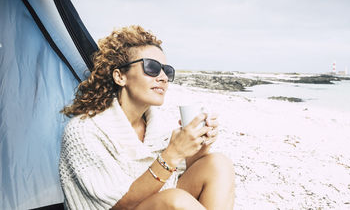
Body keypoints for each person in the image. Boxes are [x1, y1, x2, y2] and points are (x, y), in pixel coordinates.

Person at [59, 25, 235, 210]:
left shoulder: (156, 128)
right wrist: (172, 153)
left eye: (167, 71)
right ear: (120, 76)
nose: (163, 78)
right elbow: (119, 205)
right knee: (174, 200)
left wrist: (200, 144)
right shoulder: (84, 131)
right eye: (151, 67)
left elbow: (177, 174)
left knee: (217, 164)